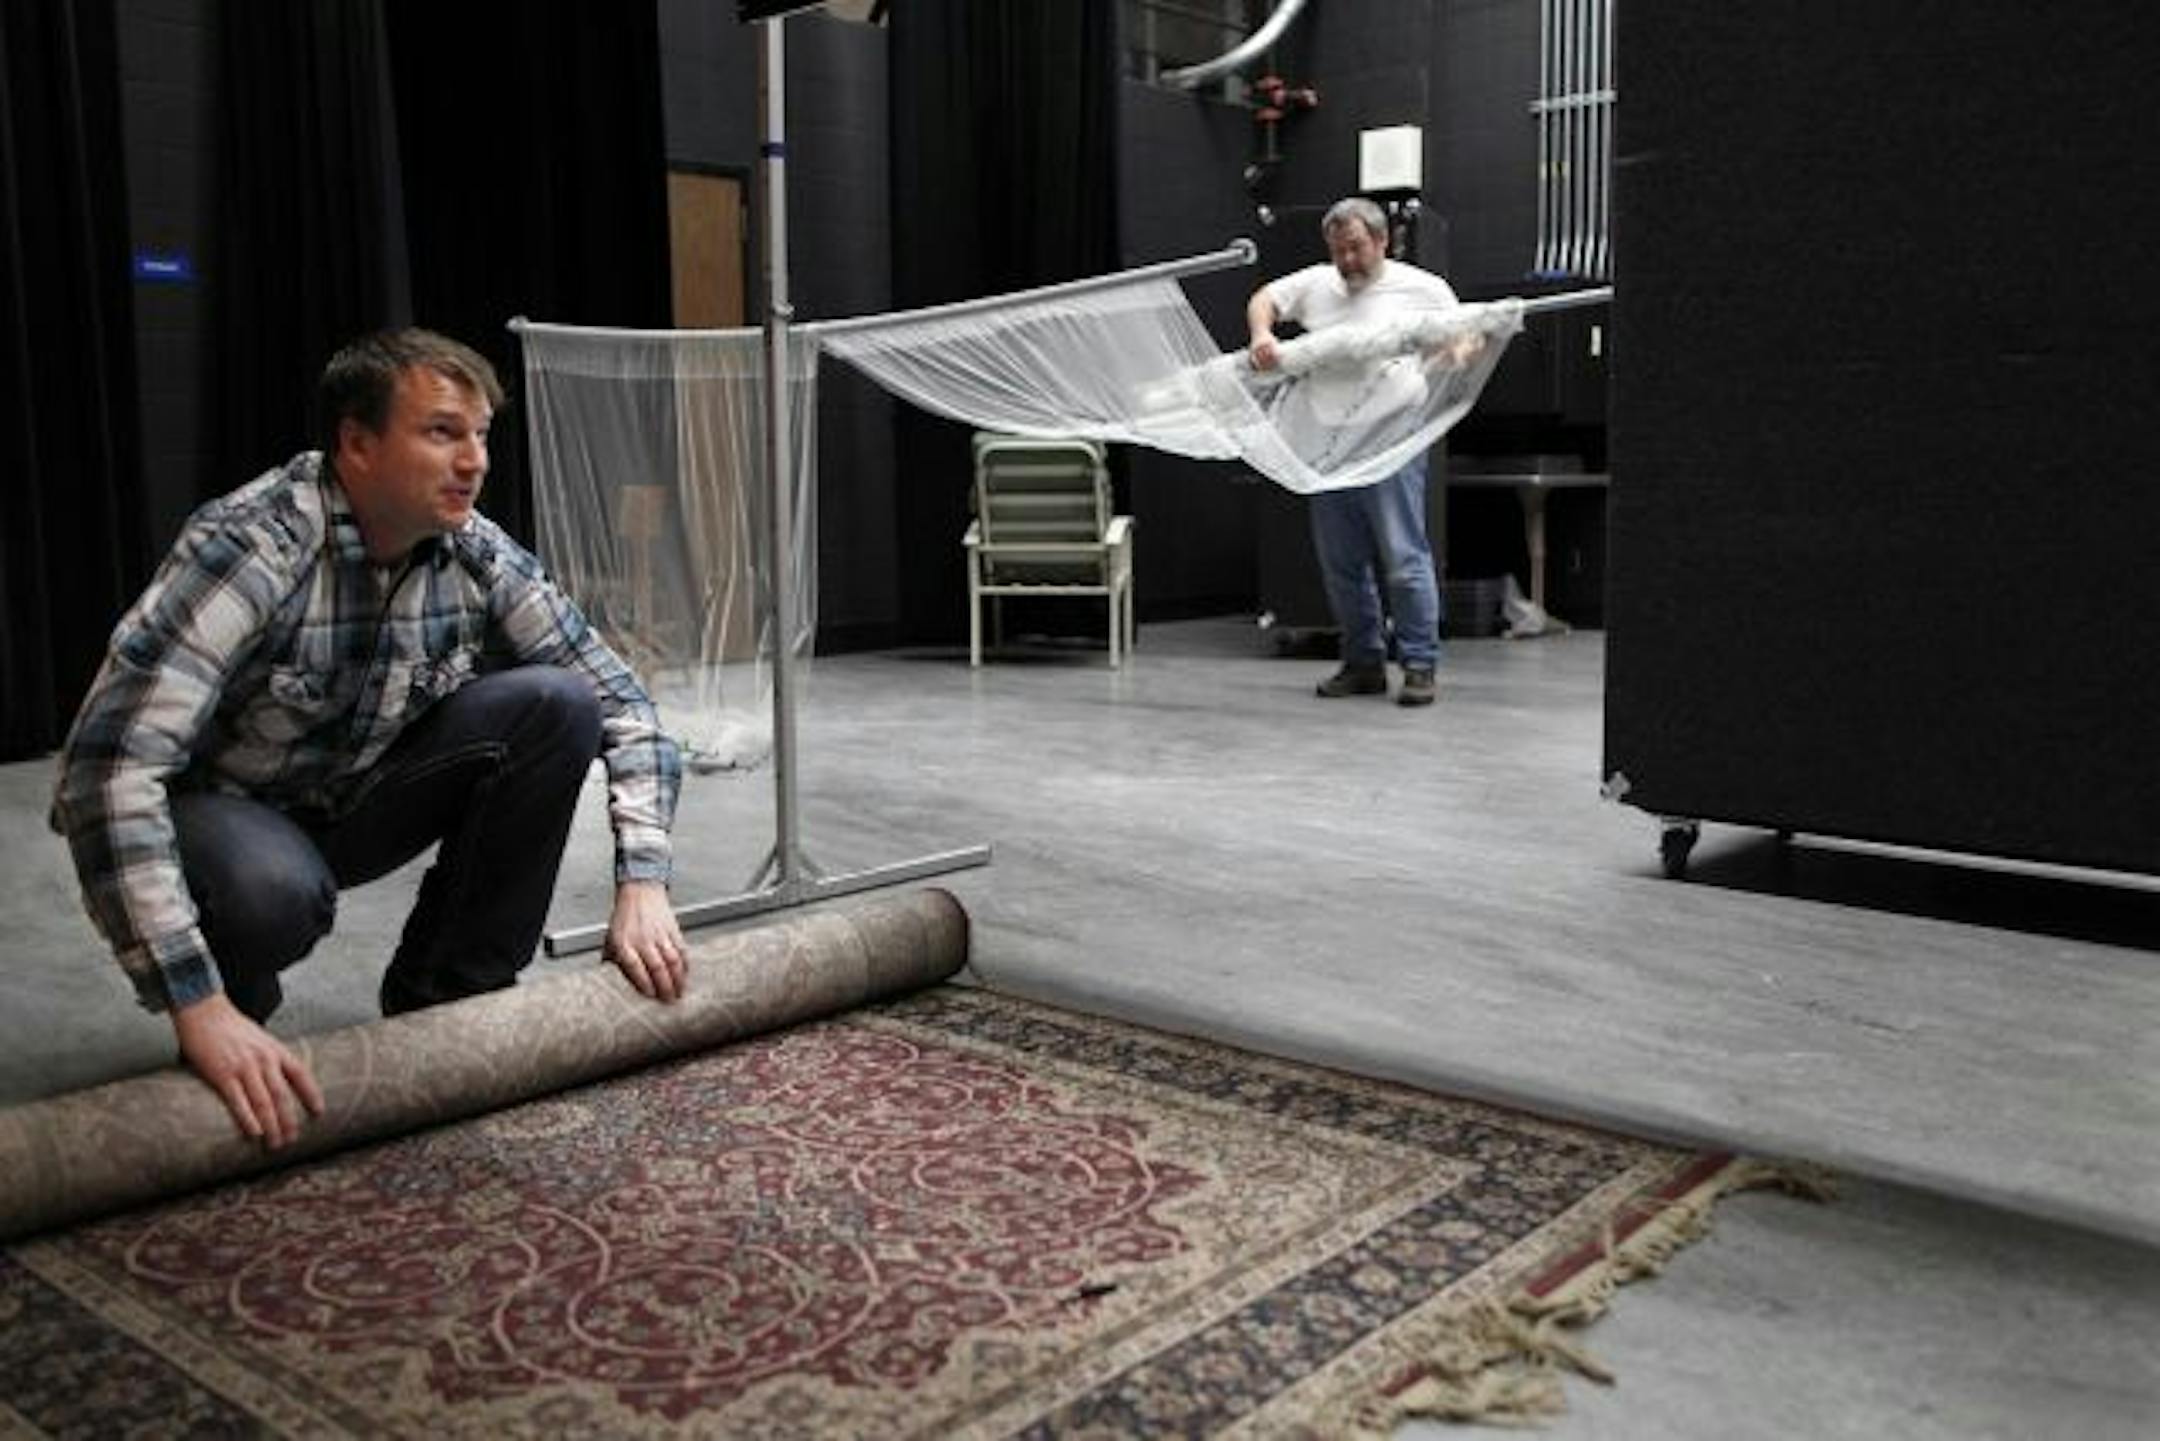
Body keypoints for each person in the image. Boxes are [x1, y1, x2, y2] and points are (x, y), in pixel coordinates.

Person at [50, 328, 690, 1150]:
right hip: (229, 820)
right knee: (273, 891)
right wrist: (196, 1004)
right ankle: (232, 1007)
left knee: (558, 703)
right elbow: (105, 770)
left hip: (355, 796)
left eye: (481, 435)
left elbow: (621, 703)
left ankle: (448, 1003)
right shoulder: (254, 544)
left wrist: (643, 883)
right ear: (356, 441)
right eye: (441, 433)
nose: (475, 461)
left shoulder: (476, 552)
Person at [1247, 196, 1459, 707]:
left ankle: (1419, 665)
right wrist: (1262, 334)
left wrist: (1457, 350)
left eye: (1357, 249)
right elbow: (1265, 299)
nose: (1347, 261)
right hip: (1333, 445)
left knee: (1403, 556)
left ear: (1383, 241)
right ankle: (1363, 663)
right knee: (1341, 562)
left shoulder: (1422, 288)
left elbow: (1464, 334)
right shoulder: (1318, 283)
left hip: (1392, 436)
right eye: (1339, 250)